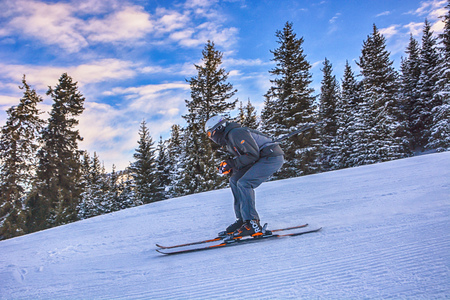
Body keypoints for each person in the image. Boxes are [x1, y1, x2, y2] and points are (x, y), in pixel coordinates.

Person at [205, 115, 284, 239]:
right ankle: (243, 220)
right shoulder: (230, 139)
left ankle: (252, 223)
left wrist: (231, 163)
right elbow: (244, 158)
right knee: (234, 180)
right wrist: (229, 166)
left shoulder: (236, 133)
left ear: (219, 128)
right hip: (261, 158)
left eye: (211, 133)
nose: (211, 138)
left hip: (271, 157)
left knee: (244, 183)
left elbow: (252, 154)